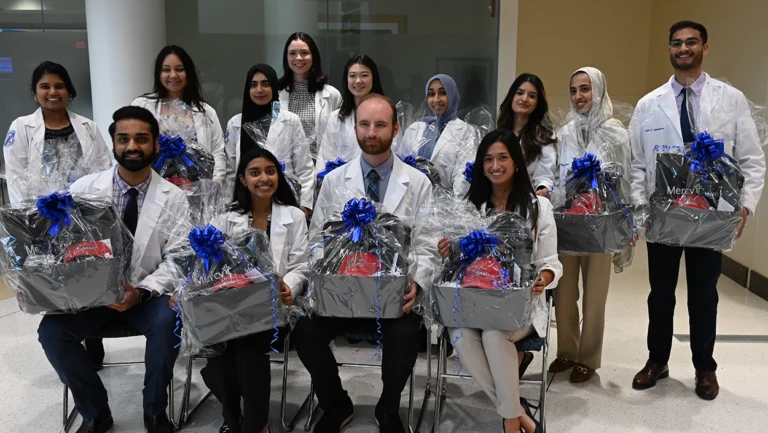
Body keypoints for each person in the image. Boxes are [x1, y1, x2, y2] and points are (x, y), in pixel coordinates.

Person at [629, 21, 765, 399]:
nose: (683, 48)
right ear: (669, 49)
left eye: (691, 42)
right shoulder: (648, 104)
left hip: (712, 216)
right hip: (664, 216)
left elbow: (752, 159)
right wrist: (642, 209)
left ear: (704, 48)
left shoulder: (731, 99)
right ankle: (657, 360)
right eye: (676, 43)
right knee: (661, 293)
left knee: (705, 293)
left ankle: (705, 368)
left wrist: (745, 208)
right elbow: (637, 164)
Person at [37, 106, 190, 433]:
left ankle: (154, 411)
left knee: (170, 321)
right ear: (113, 144)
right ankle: (95, 410)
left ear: (156, 145)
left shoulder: (174, 197)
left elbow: (179, 258)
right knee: (51, 333)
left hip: (147, 296)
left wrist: (143, 291)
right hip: (93, 299)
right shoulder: (82, 191)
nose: (132, 146)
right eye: (124, 139)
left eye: (141, 139)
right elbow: (63, 250)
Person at [293, 94, 438, 433]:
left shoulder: (417, 183)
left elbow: (428, 242)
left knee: (405, 334)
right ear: (355, 128)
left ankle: (388, 408)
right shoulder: (333, 180)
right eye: (365, 124)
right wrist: (320, 278)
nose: (372, 132)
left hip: (393, 292)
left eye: (380, 125)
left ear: (395, 129)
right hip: (341, 292)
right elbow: (317, 239)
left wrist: (416, 280)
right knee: (305, 331)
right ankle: (335, 402)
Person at [437, 129, 561, 433]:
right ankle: (518, 413)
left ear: (516, 162)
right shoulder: (468, 209)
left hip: (520, 305)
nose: (495, 165)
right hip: (473, 301)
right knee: (459, 333)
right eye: (488, 159)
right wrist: (447, 251)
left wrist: (543, 279)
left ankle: (509, 421)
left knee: (494, 334)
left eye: (502, 158)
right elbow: (457, 266)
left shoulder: (538, 207)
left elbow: (551, 262)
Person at [198, 146, 309, 433]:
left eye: (270, 171)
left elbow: (302, 264)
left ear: (278, 176)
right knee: (218, 359)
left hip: (275, 309)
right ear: (243, 180)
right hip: (230, 306)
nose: (264, 178)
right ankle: (236, 419)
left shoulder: (293, 216)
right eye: (255, 172)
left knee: (247, 350)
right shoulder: (225, 218)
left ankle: (254, 425)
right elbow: (207, 264)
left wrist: (290, 286)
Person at [549, 67, 632, 383]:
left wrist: (626, 231)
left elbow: (625, 183)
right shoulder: (564, 132)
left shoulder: (616, 133)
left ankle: (589, 358)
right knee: (564, 293)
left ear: (598, 91)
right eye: (573, 90)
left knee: (596, 294)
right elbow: (557, 176)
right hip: (568, 222)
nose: (579, 96)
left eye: (585, 89)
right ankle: (566, 351)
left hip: (602, 226)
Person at [3, 61, 112, 204]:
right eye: (45, 87)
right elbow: (15, 177)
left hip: (85, 209)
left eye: (59, 86)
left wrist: (97, 207)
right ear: (35, 92)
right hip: (39, 212)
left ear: (69, 92)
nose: (53, 92)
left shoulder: (88, 126)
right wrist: (28, 217)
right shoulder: (21, 126)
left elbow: (104, 168)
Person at [225, 64, 315, 213]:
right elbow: (231, 172)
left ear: (273, 87)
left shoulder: (291, 121)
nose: (259, 90)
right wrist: (229, 205)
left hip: (285, 200)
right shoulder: (235, 123)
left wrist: (304, 205)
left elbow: (304, 167)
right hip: (244, 203)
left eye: (265, 84)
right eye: (253, 85)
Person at [132, 45, 227, 185]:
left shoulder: (206, 112)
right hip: (151, 189)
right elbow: (133, 146)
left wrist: (213, 186)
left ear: (188, 73)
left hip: (196, 192)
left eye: (179, 69)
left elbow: (218, 154)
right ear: (158, 74)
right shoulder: (141, 106)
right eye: (166, 70)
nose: (173, 75)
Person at [400, 74, 473, 195]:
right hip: (414, 200)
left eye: (443, 93)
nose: (436, 99)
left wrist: (453, 206)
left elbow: (463, 177)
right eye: (431, 94)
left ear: (452, 96)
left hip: (448, 205)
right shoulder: (415, 129)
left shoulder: (466, 131)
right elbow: (402, 169)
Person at [277, 32, 342, 159]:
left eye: (304, 53)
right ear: (286, 58)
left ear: (313, 57)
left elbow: (340, 135)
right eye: (292, 53)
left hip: (322, 166)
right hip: (288, 168)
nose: (299, 58)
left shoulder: (332, 95)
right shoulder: (276, 95)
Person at [315, 54, 384, 171]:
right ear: (346, 80)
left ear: (374, 78)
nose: (358, 81)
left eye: (364, 75)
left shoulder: (386, 114)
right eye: (352, 76)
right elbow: (323, 158)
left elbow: (393, 153)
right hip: (341, 184)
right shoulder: (336, 117)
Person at [497, 74, 557, 196]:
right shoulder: (497, 134)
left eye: (532, 96)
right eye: (519, 93)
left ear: (537, 103)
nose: (524, 99)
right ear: (511, 96)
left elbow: (545, 176)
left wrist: (543, 189)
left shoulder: (544, 137)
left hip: (529, 201)